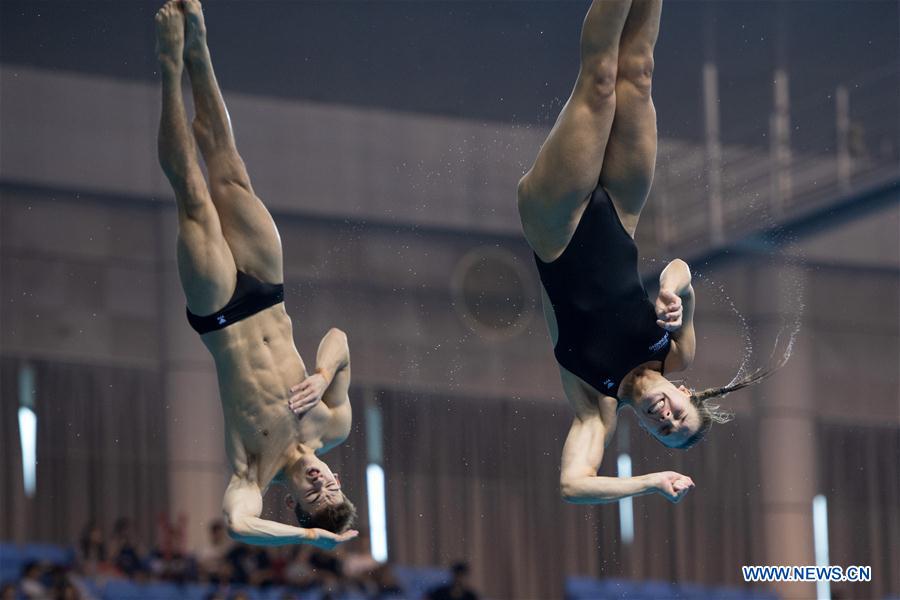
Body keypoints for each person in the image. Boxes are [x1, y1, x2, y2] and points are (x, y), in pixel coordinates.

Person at [517, 0, 780, 505]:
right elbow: (681, 270)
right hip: (621, 212)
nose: (667, 419)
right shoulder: (676, 352)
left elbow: (573, 486)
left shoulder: (597, 404)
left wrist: (653, 481)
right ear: (687, 394)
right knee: (638, 73)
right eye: (680, 416)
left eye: (664, 433)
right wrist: (671, 291)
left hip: (554, 227)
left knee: (598, 82)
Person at [154, 0, 357, 547]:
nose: (321, 482)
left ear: (293, 504)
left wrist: (310, 539)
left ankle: (170, 67)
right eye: (333, 486)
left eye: (316, 497)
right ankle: (199, 49)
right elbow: (340, 339)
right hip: (269, 294)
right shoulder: (333, 426)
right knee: (229, 169)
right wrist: (321, 372)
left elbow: (239, 525)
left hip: (219, 314)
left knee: (194, 198)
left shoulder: (251, 470)